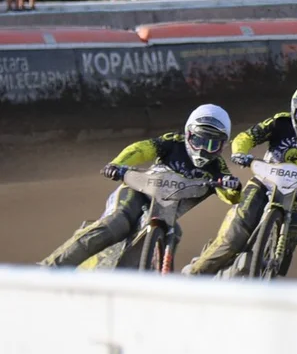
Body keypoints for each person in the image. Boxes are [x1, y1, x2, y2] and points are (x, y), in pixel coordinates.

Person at [183, 83, 297, 278]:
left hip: (291, 196)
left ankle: (275, 274)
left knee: (296, 229)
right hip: (261, 185)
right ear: (293, 109)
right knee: (235, 235)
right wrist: (240, 152)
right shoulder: (280, 123)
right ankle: (195, 274)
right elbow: (246, 137)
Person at [39, 105, 241, 268]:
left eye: (213, 144)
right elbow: (143, 149)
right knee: (116, 224)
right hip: (137, 192)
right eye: (199, 140)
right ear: (188, 134)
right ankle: (50, 267)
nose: (204, 149)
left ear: (223, 145)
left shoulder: (218, 167)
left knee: (174, 235)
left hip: (166, 213)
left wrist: (231, 186)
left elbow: (230, 195)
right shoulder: (173, 142)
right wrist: (117, 164)